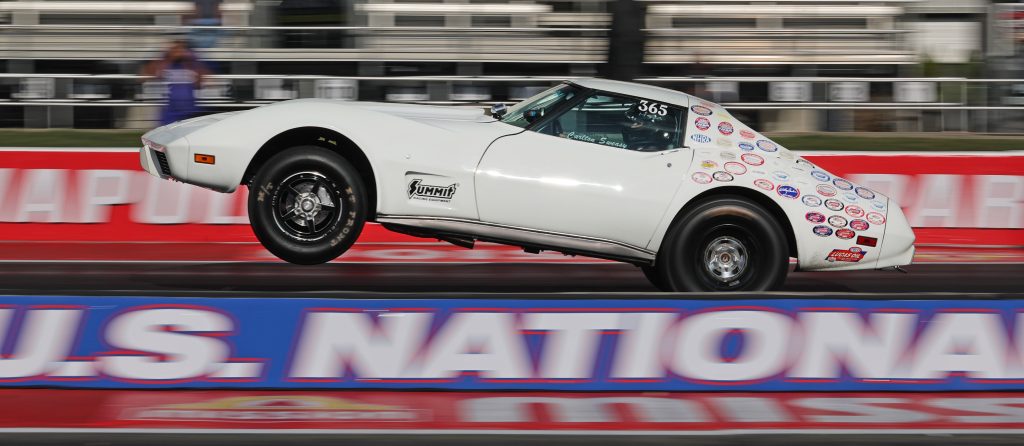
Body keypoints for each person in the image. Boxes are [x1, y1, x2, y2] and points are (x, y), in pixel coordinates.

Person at [144, 40, 208, 125]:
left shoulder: (192, 61)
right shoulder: (165, 61)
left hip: (189, 110)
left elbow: (200, 83)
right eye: (175, 49)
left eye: (181, 49)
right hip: (169, 111)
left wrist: (188, 62)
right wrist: (169, 58)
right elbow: (148, 74)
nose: (178, 52)